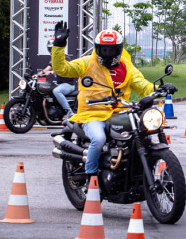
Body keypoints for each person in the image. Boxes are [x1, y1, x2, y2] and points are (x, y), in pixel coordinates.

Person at [50, 21, 175, 180]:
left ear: (119, 49)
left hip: (121, 113)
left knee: (145, 132)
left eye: (111, 50)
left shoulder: (127, 67)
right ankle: (91, 176)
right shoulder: (87, 63)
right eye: (104, 49)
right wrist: (59, 45)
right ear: (97, 49)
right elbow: (62, 69)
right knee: (99, 139)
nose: (107, 53)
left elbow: (142, 85)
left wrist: (158, 89)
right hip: (92, 114)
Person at [38, 39, 79, 120]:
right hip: (60, 84)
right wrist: (36, 75)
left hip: (68, 85)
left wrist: (53, 72)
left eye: (53, 48)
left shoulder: (64, 57)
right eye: (50, 49)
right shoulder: (53, 59)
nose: (52, 50)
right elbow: (46, 69)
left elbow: (65, 69)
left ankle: (69, 111)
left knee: (57, 91)